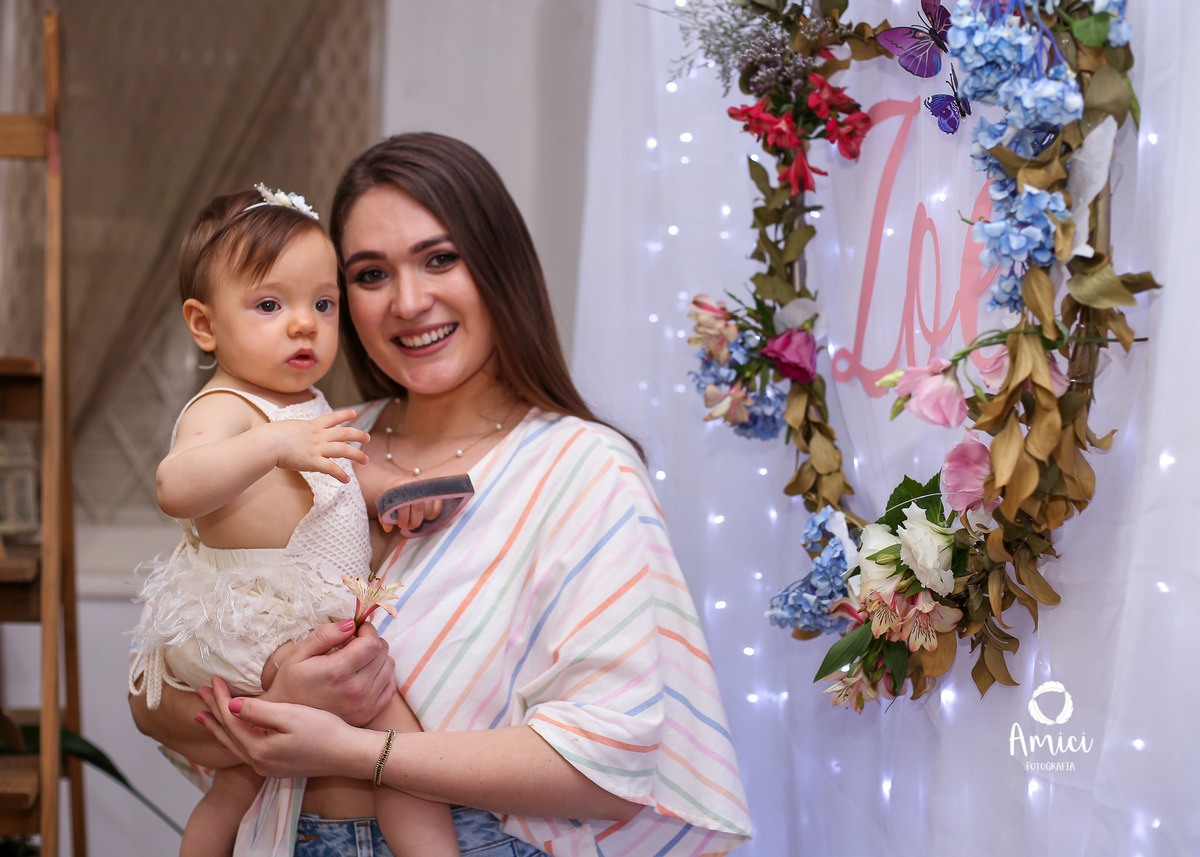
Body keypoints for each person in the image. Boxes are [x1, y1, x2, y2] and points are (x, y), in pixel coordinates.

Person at [132, 133, 753, 857]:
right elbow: (153, 697)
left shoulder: (580, 468)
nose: (409, 300)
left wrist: (352, 748)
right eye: (370, 274)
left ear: (498, 266)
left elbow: (612, 762)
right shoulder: (315, 436)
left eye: (440, 258)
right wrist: (276, 704)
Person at [126, 184, 459, 857]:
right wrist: (271, 444)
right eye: (270, 305)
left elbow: (341, 472)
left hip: (303, 615)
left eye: (322, 303)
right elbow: (174, 484)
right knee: (384, 739)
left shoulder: (308, 402)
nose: (304, 323)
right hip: (252, 614)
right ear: (204, 324)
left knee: (251, 777)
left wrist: (393, 491)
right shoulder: (223, 406)